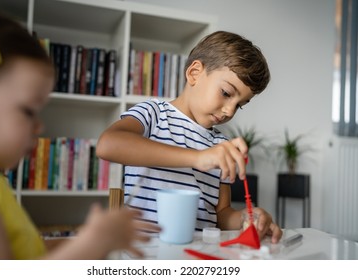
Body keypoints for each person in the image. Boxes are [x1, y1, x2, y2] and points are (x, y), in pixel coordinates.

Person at [0, 3, 159, 260]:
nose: (40, 127)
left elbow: (26, 255)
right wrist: (94, 241)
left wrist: (87, 239)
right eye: (28, 111)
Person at [96, 31, 282, 243]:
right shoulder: (153, 114)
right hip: (144, 251)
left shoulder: (220, 146)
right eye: (226, 93)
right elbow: (108, 145)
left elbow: (221, 214)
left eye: (239, 105)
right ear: (194, 73)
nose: (230, 111)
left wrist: (246, 219)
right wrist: (197, 157)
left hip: (197, 255)